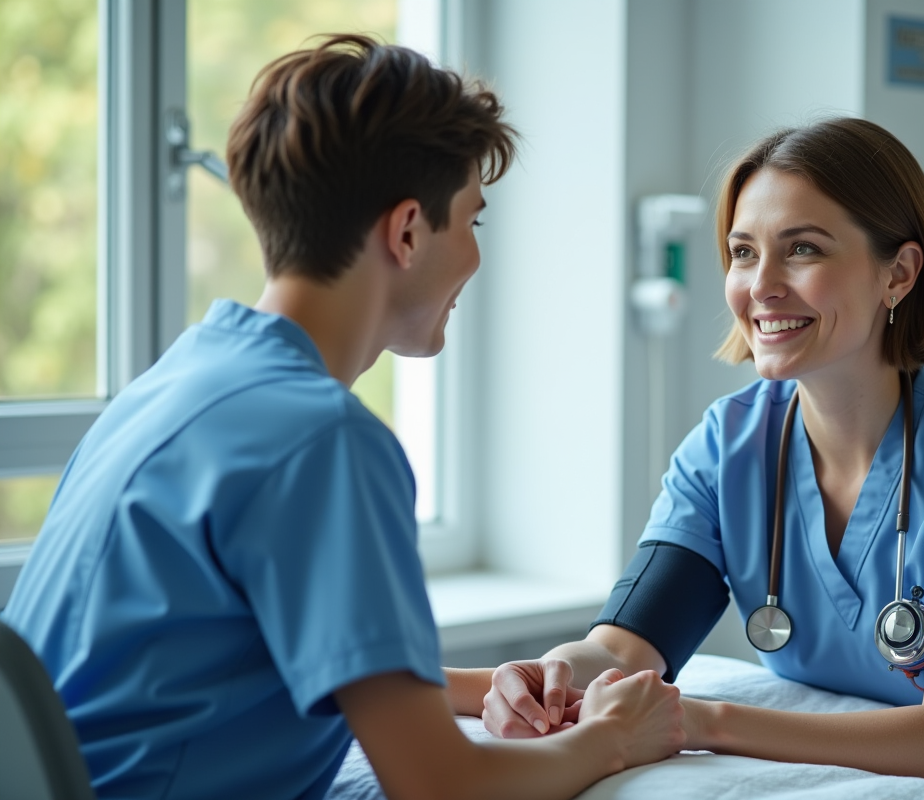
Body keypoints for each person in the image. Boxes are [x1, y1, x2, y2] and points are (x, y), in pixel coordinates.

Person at [1, 35, 684, 800]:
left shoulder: (174, 384)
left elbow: (268, 655)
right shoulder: (321, 441)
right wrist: (614, 739)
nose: (474, 258)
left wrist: (490, 684)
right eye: (473, 223)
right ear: (406, 232)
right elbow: (442, 786)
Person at [481, 118, 924, 799]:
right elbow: (622, 651)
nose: (761, 285)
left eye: (803, 249)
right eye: (742, 251)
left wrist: (698, 721)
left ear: (899, 274)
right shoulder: (729, 445)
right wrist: (547, 675)